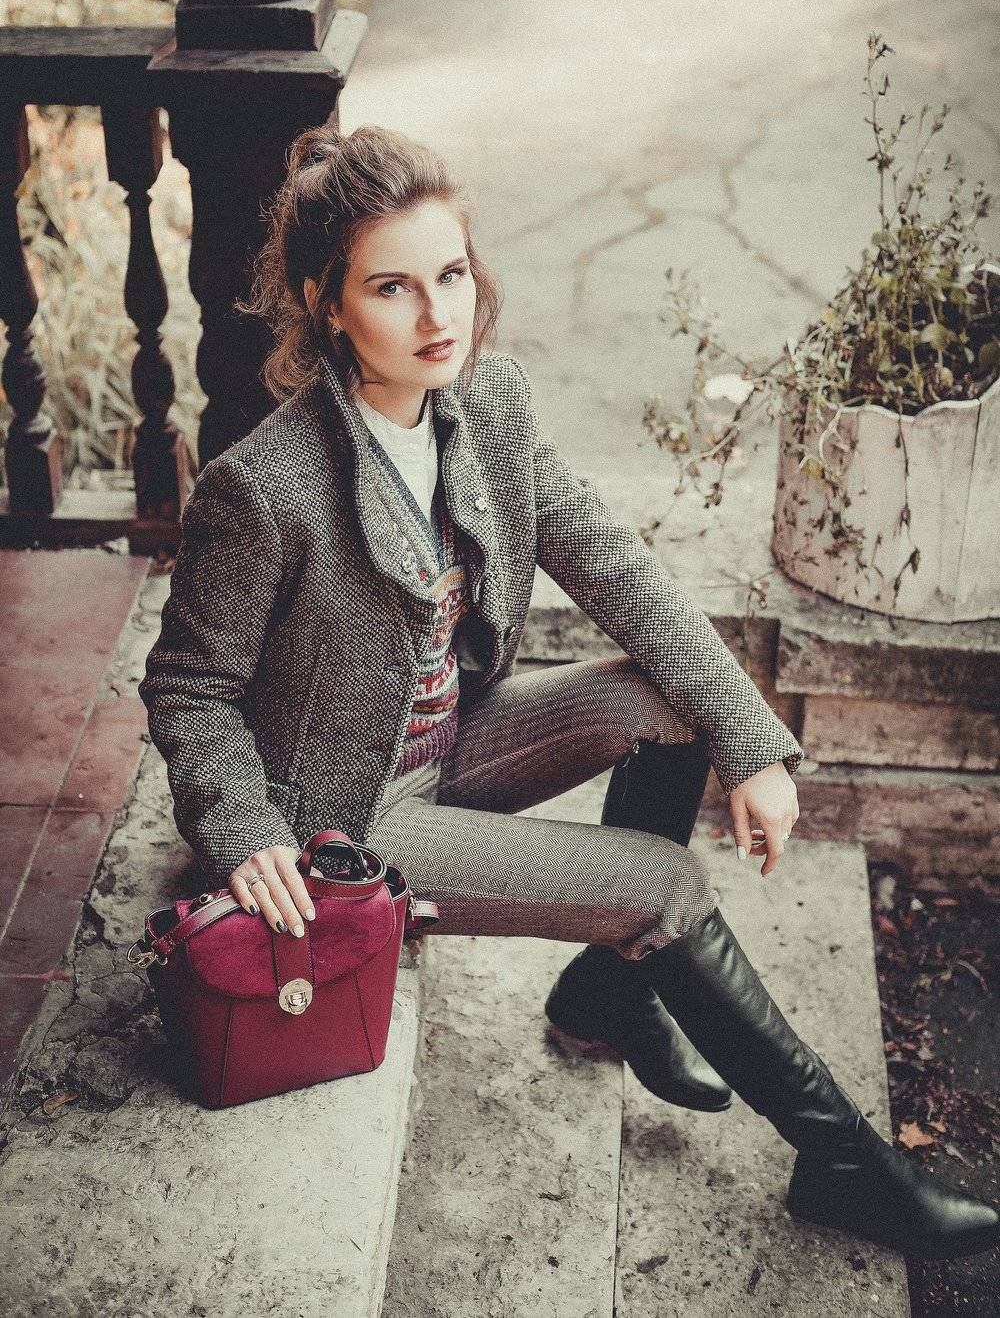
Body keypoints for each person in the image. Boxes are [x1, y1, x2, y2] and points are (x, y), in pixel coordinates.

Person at [138, 124, 999, 1263]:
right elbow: (188, 688)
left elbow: (619, 571)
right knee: (663, 884)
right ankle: (840, 1159)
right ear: (325, 304)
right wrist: (247, 831)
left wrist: (752, 742)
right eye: (392, 288)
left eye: (451, 274)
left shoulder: (488, 406)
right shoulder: (266, 488)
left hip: (452, 741)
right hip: (344, 819)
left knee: (668, 700)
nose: (437, 314)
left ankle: (607, 990)